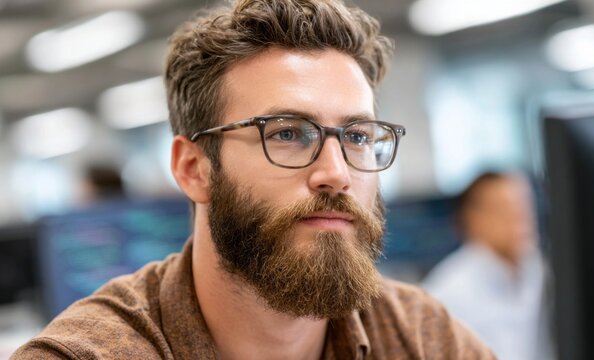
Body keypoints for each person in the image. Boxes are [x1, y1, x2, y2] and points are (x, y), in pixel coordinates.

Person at [13, 1, 496, 359]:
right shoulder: (89, 355)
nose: (337, 173)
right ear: (192, 169)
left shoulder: (423, 337)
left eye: (357, 136)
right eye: (287, 133)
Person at [421, 172, 553, 360]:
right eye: (506, 210)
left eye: (525, 206)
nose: (522, 219)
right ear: (472, 219)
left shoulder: (538, 271)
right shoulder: (446, 294)